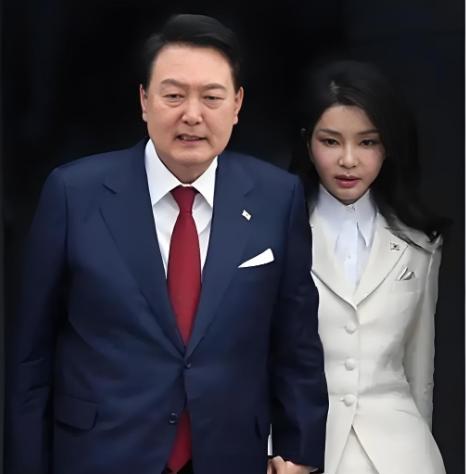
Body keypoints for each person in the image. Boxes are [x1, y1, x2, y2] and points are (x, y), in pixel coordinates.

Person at [5, 14, 328, 474]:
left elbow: (296, 341)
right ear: (144, 100)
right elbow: (31, 355)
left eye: (211, 97)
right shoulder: (74, 194)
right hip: (102, 453)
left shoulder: (277, 197)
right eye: (173, 95)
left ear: (237, 104)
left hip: (230, 454)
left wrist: (299, 450)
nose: (192, 115)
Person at [290, 60, 448, 474]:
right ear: (308, 143)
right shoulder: (274, 234)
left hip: (402, 455)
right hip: (303, 453)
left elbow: (420, 368)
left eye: (367, 142)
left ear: (388, 146)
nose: (348, 160)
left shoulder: (420, 243)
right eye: (330, 141)